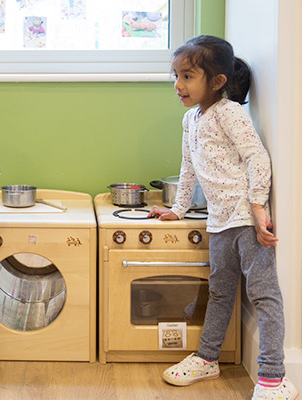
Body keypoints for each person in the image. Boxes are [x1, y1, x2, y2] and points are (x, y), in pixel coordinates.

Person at [148, 35, 299, 400]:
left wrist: (259, 207)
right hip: (218, 222)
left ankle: (273, 376)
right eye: (176, 75)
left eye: (187, 76)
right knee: (219, 293)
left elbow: (257, 158)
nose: (178, 85)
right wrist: (179, 209)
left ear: (216, 81)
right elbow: (188, 168)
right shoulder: (190, 119)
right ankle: (208, 358)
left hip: (245, 219)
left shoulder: (229, 112)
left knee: (263, 294)